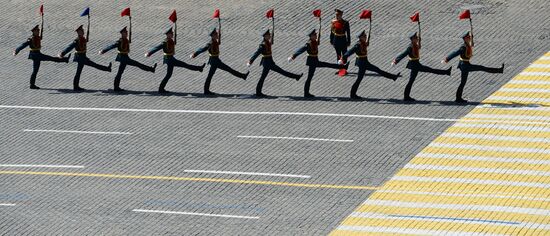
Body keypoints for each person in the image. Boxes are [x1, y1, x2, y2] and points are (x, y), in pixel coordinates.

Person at [442, 31, 504, 103]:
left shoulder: (467, 44)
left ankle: (458, 98)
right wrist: (447, 59)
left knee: (463, 82)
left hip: (465, 64)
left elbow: (471, 44)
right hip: (465, 66)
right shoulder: (463, 48)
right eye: (468, 37)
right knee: (481, 68)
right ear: (465, 39)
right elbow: (455, 53)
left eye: (469, 37)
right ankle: (499, 70)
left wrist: (472, 37)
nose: (469, 38)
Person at [340, 31, 400, 99]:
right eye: (364, 36)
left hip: (364, 62)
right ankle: (393, 77)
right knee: (376, 70)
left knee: (360, 78)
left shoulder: (363, 43)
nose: (365, 37)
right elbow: (350, 52)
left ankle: (352, 94)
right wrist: (343, 57)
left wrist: (369, 36)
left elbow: (366, 43)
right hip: (362, 63)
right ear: (361, 38)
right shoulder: (357, 45)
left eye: (365, 36)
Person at [392, 32, 451, 101]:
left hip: (416, 64)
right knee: (430, 70)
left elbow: (418, 48)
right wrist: (395, 61)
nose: (417, 38)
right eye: (415, 38)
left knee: (411, 81)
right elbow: (403, 54)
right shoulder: (410, 47)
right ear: (412, 39)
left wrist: (420, 41)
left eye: (417, 38)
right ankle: (446, 72)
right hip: (414, 65)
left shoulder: (414, 45)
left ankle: (406, 96)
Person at [289, 29, 347, 98]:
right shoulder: (308, 44)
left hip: (315, 61)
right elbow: (300, 50)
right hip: (312, 62)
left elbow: (318, 42)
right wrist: (293, 56)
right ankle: (343, 67)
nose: (316, 35)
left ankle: (306, 93)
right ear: (311, 36)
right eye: (314, 35)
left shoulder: (314, 42)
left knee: (311, 76)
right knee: (323, 67)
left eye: (316, 34)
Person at [190, 28, 249, 95]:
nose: (217, 34)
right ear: (212, 36)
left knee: (211, 75)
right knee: (228, 69)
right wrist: (195, 54)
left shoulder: (215, 41)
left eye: (217, 33)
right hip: (214, 61)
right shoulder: (210, 43)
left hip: (216, 60)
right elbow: (202, 49)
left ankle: (206, 90)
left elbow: (218, 43)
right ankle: (243, 76)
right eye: (216, 34)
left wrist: (220, 35)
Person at [146, 27, 205, 93]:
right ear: (168, 34)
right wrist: (149, 53)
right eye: (171, 33)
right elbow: (157, 48)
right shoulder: (164, 42)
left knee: (169, 74)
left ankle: (161, 89)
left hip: (171, 59)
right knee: (184, 65)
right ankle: (199, 68)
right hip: (169, 60)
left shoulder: (170, 40)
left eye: (172, 33)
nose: (172, 34)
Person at [100, 26, 156, 92]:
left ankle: (116, 87)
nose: (127, 33)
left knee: (120, 72)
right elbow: (112, 46)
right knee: (137, 64)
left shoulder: (126, 40)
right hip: (122, 58)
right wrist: (104, 50)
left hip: (125, 57)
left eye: (127, 32)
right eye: (125, 32)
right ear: (122, 33)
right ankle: (151, 69)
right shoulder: (120, 41)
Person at [14, 25, 70, 89]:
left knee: (35, 70)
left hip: (38, 54)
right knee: (50, 59)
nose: (38, 31)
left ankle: (32, 85)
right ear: (34, 31)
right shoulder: (30, 39)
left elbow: (41, 35)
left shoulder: (37, 37)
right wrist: (17, 50)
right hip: (35, 55)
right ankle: (65, 60)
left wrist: (42, 25)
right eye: (37, 30)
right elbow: (23, 45)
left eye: (38, 30)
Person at [248, 30, 302, 97]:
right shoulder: (262, 45)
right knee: (281, 72)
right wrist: (251, 61)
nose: (269, 36)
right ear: (265, 36)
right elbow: (256, 53)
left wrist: (273, 34)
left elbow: (271, 42)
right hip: (267, 63)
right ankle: (296, 77)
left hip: (269, 62)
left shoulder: (267, 42)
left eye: (269, 35)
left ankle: (258, 92)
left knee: (263, 77)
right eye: (268, 35)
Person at [60, 25, 112, 91]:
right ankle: (107, 68)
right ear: (78, 32)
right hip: (80, 57)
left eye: (83, 30)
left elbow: (84, 42)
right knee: (93, 65)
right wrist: (63, 53)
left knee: (78, 72)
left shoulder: (82, 38)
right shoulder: (76, 40)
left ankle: (76, 86)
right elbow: (70, 47)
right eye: (82, 31)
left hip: (83, 57)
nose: (83, 31)